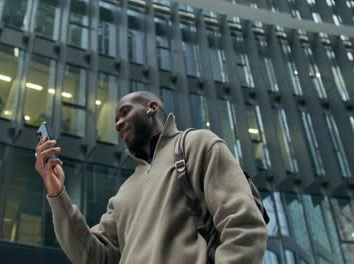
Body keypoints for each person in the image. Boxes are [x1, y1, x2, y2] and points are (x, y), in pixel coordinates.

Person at [35, 91, 268, 263]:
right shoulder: (124, 194)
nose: (118, 123)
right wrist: (57, 194)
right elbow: (92, 256)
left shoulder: (198, 145)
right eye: (116, 121)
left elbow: (243, 225)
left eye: (125, 112)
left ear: (152, 107)